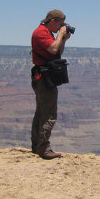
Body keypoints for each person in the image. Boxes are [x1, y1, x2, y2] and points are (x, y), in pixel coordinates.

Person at [30, 9, 71, 159]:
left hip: (45, 77)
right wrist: (60, 34)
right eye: (60, 24)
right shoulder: (40, 33)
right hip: (43, 79)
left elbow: (57, 52)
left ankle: (37, 146)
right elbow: (53, 49)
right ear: (53, 21)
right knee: (49, 114)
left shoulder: (48, 33)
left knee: (41, 112)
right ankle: (44, 149)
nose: (61, 27)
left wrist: (63, 39)